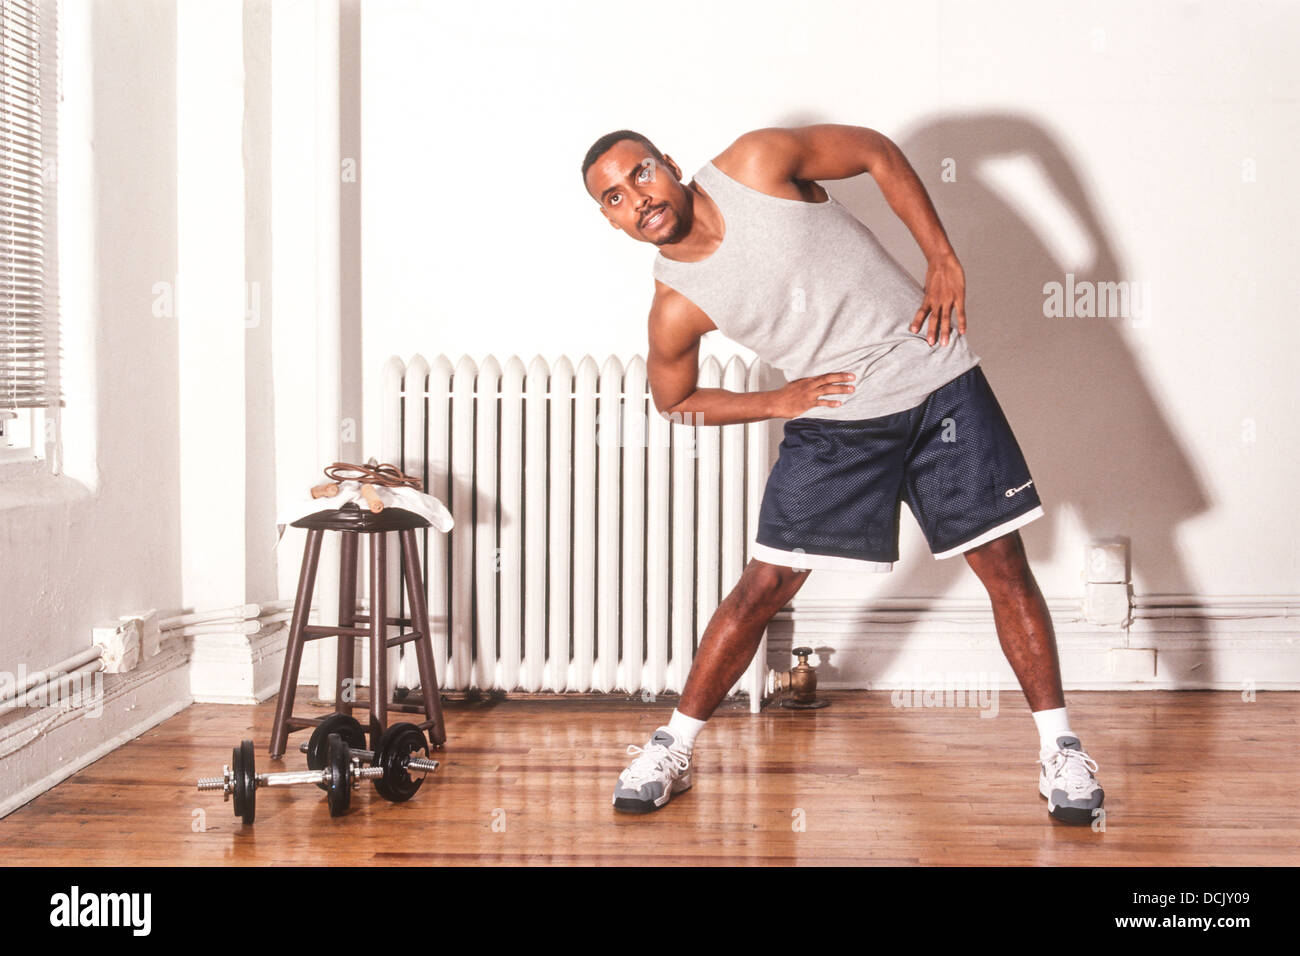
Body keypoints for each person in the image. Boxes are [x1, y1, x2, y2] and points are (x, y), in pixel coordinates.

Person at [580, 124, 1104, 825]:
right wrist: (778, 400)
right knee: (764, 585)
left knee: (1003, 565)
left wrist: (941, 258)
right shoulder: (675, 304)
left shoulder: (756, 162)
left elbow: (876, 153)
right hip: (839, 421)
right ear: (611, 219)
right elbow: (673, 402)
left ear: (668, 164)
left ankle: (1059, 750)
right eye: (613, 198)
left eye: (640, 174)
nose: (635, 199)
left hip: (938, 378)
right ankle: (672, 748)